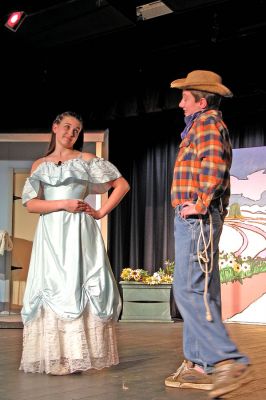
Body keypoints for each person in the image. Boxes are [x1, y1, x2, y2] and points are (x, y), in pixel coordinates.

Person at [19, 111, 130, 375]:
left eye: (77, 130)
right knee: (54, 284)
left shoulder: (87, 160)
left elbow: (122, 185)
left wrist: (101, 212)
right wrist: (63, 204)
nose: (71, 133)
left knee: (78, 281)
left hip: (79, 231)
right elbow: (30, 203)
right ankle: (57, 357)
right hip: (52, 232)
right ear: (55, 127)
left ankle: (79, 356)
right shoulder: (40, 165)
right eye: (67, 127)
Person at [164, 71, 252, 398]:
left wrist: (201, 203)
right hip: (198, 218)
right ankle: (199, 364)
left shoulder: (206, 123)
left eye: (185, 97)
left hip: (197, 218)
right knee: (200, 291)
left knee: (189, 290)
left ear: (200, 101)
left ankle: (227, 359)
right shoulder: (202, 125)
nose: (180, 103)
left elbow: (213, 166)